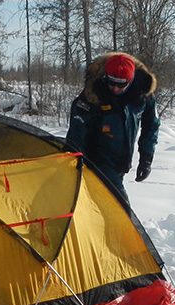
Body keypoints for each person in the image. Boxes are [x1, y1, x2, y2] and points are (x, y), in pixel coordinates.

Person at [65, 52, 159, 201]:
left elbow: (151, 125)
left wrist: (146, 158)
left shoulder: (142, 93)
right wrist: (72, 159)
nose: (115, 88)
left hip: (121, 162)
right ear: (105, 77)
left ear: (131, 80)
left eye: (121, 85)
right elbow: (77, 131)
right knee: (120, 206)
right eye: (111, 83)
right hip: (96, 162)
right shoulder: (92, 95)